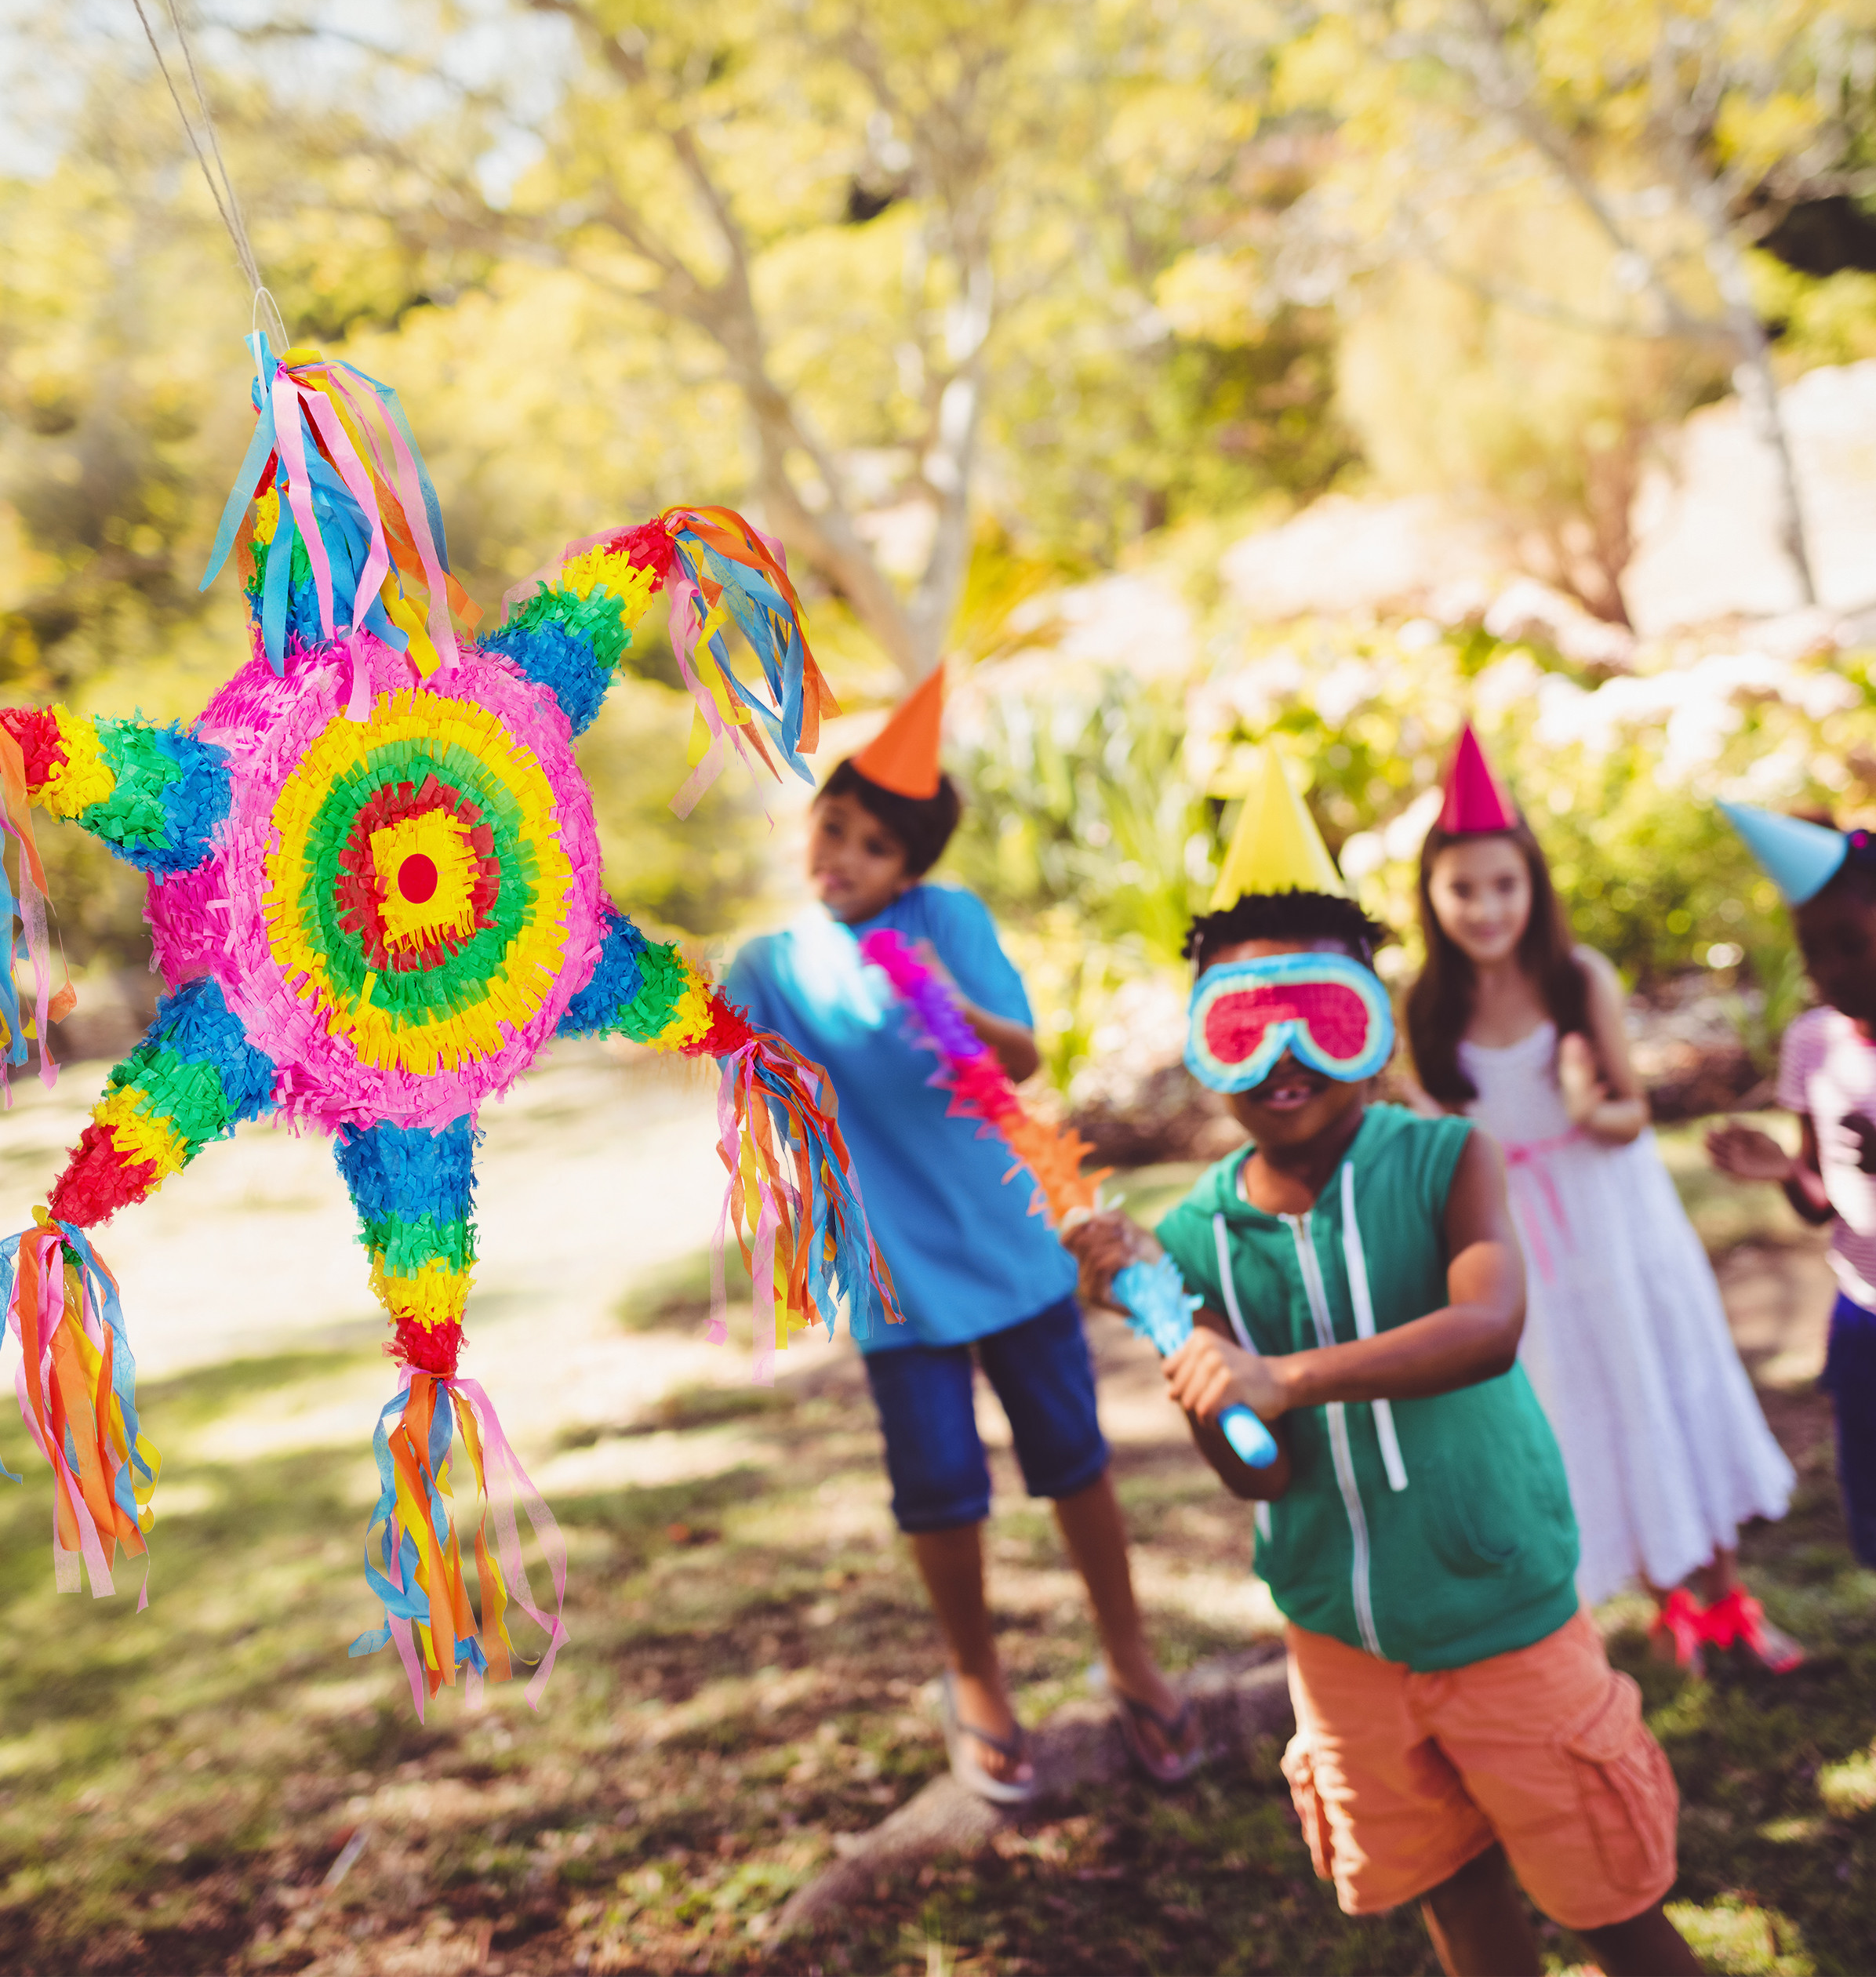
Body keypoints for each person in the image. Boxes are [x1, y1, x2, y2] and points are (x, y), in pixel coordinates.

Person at [1067, 743, 1698, 1977]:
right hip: (1340, 1642)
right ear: (1203, 1041)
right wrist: (1179, 1339)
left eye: (1323, 1014)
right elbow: (1255, 1470)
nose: (1284, 1055)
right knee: (1454, 1901)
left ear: (1369, 1022)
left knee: (1610, 1904)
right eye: (1245, 1023)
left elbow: (1489, 1326)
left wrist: (1283, 1377)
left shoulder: (1446, 1159)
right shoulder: (1194, 1235)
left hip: (1503, 1617)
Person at [725, 666, 1199, 1801]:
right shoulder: (771, 966)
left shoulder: (949, 922)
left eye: (875, 848)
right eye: (833, 828)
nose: (843, 857)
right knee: (938, 1484)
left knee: (1073, 1460)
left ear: (913, 868)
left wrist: (945, 999)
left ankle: (1128, 1651)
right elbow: (740, 1079)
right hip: (890, 1274)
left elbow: (1019, 1059)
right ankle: (974, 1675)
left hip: (1008, 1243)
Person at [1404, 725, 1798, 1672]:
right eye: (1462, 888)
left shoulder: (1577, 981)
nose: (1486, 906)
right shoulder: (1427, 1009)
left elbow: (1627, 1115)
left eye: (1504, 884)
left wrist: (1589, 1102)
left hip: (1614, 1222)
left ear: (1532, 884)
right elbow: (1442, 1141)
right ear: (1430, 895)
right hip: (1522, 1239)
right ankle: (1671, 1601)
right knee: (1584, 1393)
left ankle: (1726, 1592)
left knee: (1657, 1377)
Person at [1706, 801, 1876, 1571]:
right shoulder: (1811, 1044)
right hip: (1860, 1311)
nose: (1831, 970)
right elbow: (1820, 1203)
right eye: (1815, 953)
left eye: (1849, 944)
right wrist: (1784, 1171)